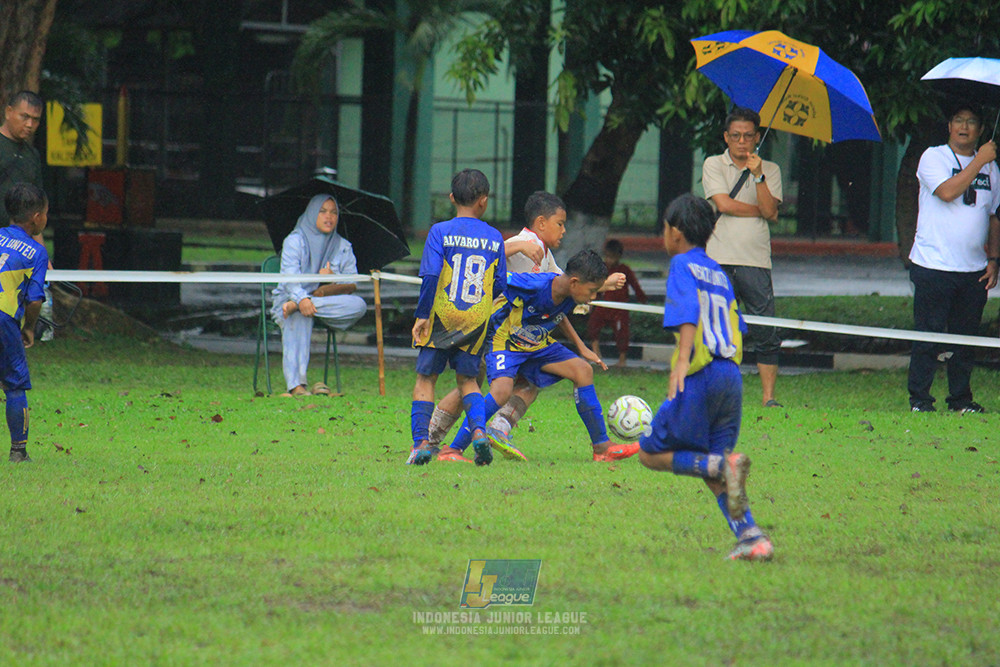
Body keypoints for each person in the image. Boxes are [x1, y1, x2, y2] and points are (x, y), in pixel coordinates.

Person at [423, 192, 626, 462]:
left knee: (576, 372)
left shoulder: (552, 263)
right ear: (541, 222)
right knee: (483, 388)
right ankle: (445, 445)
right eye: (560, 223)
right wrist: (516, 249)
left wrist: (584, 341)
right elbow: (489, 261)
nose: (564, 230)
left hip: (533, 340)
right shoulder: (527, 245)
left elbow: (566, 288)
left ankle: (602, 449)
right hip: (499, 335)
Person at [638, 193, 773, 561]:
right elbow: (736, 324)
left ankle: (720, 465)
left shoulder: (682, 265)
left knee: (651, 454)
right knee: (716, 468)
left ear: (676, 232)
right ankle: (752, 537)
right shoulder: (718, 272)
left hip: (700, 374)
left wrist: (682, 361)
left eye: (664, 229)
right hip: (731, 376)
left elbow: (687, 312)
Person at [407, 169, 507, 466]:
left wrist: (423, 315)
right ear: (484, 202)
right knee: (468, 380)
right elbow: (500, 283)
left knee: (426, 377)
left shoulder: (440, 231)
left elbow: (431, 275)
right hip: (477, 317)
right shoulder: (495, 237)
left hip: (442, 314)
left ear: (452, 198)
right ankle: (478, 432)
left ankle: (421, 443)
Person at [908, 102, 1000, 413]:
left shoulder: (992, 169)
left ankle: (960, 399)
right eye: (958, 120)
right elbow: (948, 192)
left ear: (981, 129)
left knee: (966, 340)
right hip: (934, 264)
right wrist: (980, 161)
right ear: (949, 126)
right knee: (929, 334)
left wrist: (994, 260)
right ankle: (920, 399)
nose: (964, 126)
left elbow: (993, 216)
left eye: (972, 121)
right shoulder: (933, 157)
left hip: (973, 268)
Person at [702, 106, 783, 407]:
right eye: (735, 136)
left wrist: (758, 177)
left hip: (756, 260)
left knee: (765, 327)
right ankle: (715, 393)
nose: (742, 142)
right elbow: (723, 204)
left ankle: (768, 397)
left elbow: (771, 210)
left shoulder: (770, 170)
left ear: (757, 138)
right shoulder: (713, 164)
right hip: (718, 257)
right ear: (726, 137)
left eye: (748, 136)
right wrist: (762, 211)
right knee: (716, 326)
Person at [271, 194, 366, 396]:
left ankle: (300, 305)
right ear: (312, 213)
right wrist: (300, 299)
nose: (328, 217)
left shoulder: (342, 245)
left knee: (359, 305)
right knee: (300, 314)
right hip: (290, 298)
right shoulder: (295, 241)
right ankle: (296, 386)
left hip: (325, 302)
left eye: (333, 212)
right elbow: (289, 279)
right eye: (322, 211)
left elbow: (352, 283)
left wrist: (334, 277)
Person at [1, 183, 50, 463]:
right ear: (36, 217)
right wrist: (29, 328)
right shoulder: (36, 251)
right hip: (4, 319)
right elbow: (34, 300)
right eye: (45, 213)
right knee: (14, 384)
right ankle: (18, 451)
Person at [0, 91, 52, 342]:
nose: (30, 124)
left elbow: (36, 211)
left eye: (36, 119)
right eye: (24, 116)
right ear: (8, 112)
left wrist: (42, 253)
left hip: (20, 251)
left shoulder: (32, 156)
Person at [587, 238, 647, 368]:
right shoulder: (601, 268)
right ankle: (595, 352)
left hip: (620, 308)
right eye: (607, 256)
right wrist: (591, 299)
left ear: (619, 256)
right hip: (604, 305)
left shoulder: (624, 270)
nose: (609, 260)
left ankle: (622, 359)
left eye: (612, 257)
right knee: (593, 324)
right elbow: (596, 285)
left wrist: (641, 298)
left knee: (622, 332)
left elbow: (635, 285)